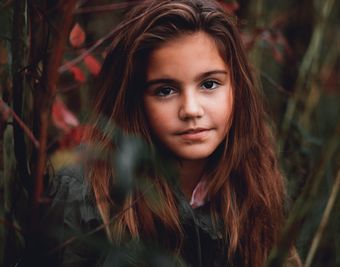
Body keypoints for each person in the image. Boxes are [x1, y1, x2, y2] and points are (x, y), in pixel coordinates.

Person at [34, 0, 302, 266]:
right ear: (135, 100)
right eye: (165, 90)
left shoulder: (254, 184)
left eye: (209, 84)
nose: (191, 110)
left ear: (237, 89)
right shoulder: (85, 192)